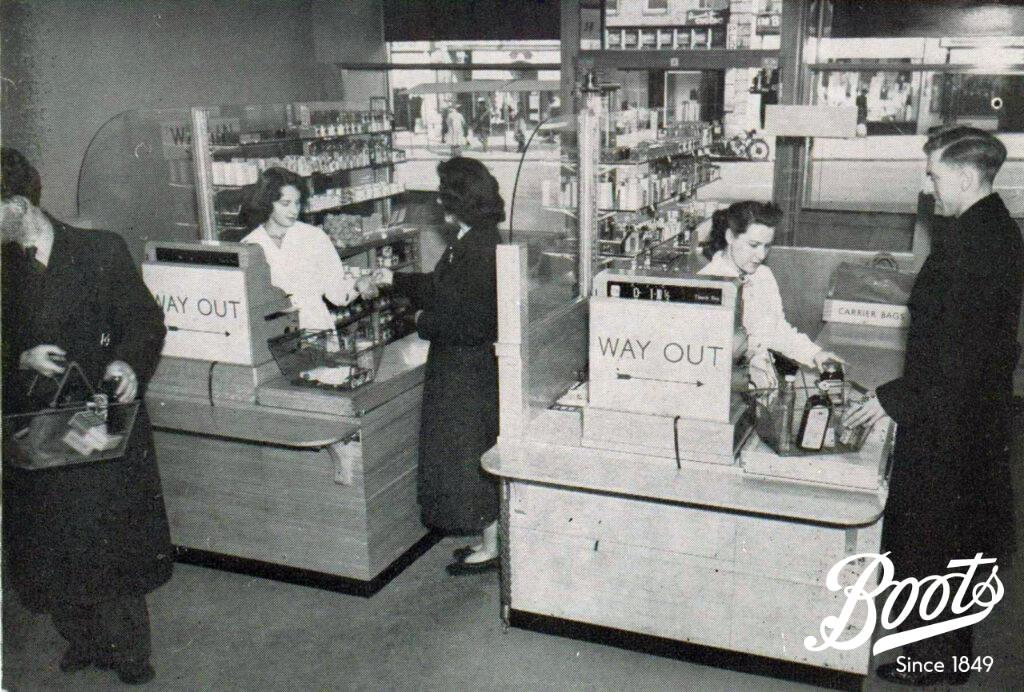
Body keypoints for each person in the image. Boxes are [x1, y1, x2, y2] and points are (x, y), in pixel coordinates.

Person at [845, 127, 1022, 687]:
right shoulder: (994, 230)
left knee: (933, 532)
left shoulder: (972, 245)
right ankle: (944, 648)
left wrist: (891, 398)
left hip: (949, 419)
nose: (928, 187)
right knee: (952, 533)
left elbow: (959, 353)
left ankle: (932, 662)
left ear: (967, 177)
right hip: (971, 413)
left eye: (934, 175)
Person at [1, 147, 173, 685]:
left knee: (111, 540)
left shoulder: (101, 250)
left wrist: (129, 361)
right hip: (33, 429)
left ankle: (129, 652)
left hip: (100, 422)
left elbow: (145, 322)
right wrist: (17, 358)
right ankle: (83, 639)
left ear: (19, 205)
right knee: (51, 543)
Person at [370, 157, 502, 575]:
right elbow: (441, 286)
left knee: (467, 456)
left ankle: (490, 544)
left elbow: (470, 321)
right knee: (469, 454)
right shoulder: (474, 238)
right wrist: (390, 280)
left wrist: (418, 321)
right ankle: (489, 538)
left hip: (465, 370)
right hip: (464, 367)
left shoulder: (476, 248)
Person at [698, 201, 843, 387]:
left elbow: (777, 330)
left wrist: (815, 354)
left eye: (767, 246)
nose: (761, 255)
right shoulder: (708, 285)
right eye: (754, 245)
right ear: (730, 237)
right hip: (725, 388)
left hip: (762, 382)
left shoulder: (763, 276)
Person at [240, 167, 375, 331]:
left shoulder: (313, 237)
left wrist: (357, 285)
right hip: (274, 331)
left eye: (297, 203)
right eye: (285, 203)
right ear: (267, 203)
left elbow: (336, 291)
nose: (294, 210)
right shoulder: (250, 245)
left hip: (315, 327)